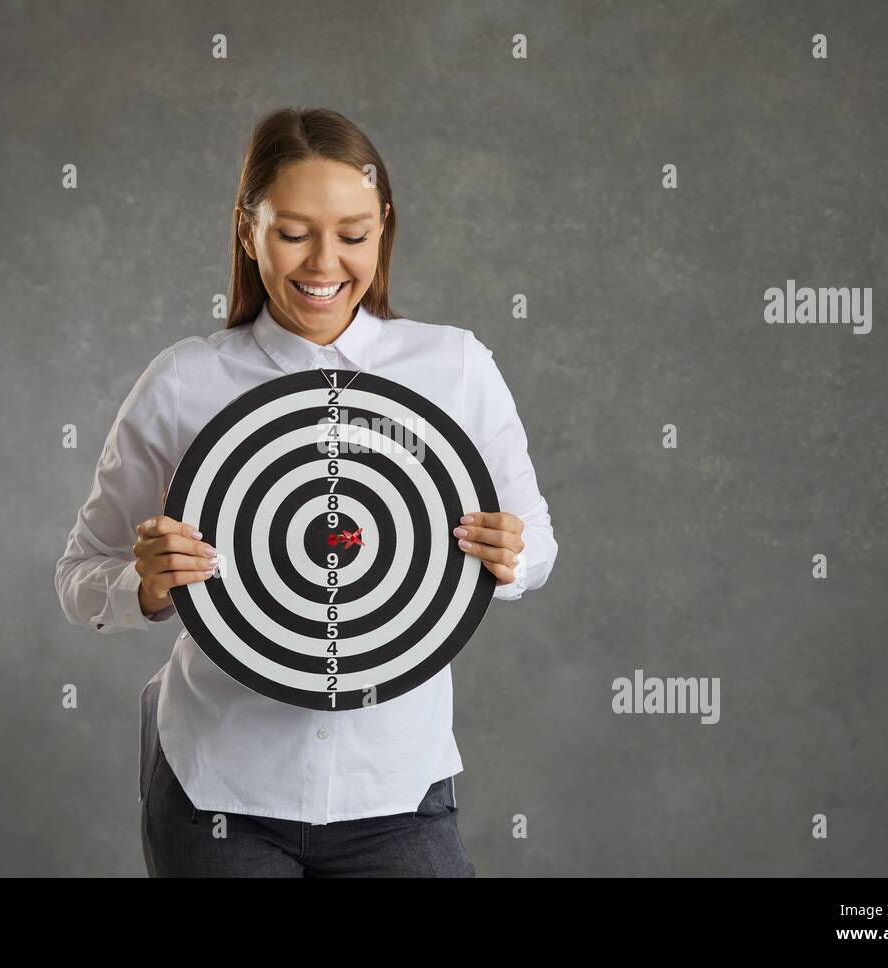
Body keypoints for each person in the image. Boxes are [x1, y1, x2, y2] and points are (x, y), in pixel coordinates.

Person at [55, 107, 557, 877]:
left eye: (353, 234)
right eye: (293, 232)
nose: (325, 262)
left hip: (396, 789)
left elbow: (538, 542)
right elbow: (80, 576)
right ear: (246, 229)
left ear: (384, 227)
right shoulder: (187, 380)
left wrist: (513, 555)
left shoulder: (453, 367)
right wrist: (145, 587)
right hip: (218, 792)